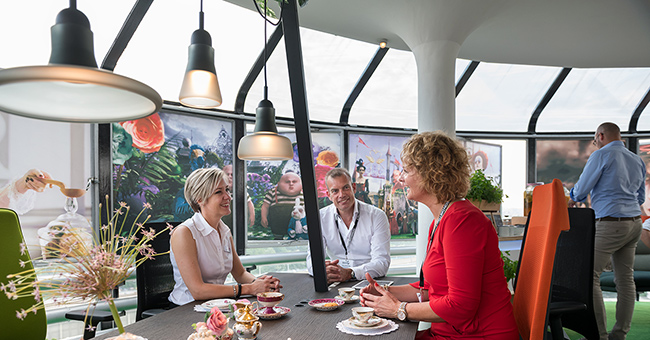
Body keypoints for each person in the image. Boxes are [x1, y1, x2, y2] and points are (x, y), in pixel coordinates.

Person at [360, 131, 517, 340]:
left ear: (429, 174)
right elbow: (431, 290)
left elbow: (461, 306)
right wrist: (384, 293)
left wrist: (399, 309)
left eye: (406, 170)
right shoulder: (442, 219)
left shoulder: (462, 222)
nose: (402, 177)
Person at [569, 122, 646, 340]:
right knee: (625, 279)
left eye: (595, 140)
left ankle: (599, 335)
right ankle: (619, 334)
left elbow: (581, 190)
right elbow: (640, 198)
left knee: (589, 276)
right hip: (633, 223)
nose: (595, 144)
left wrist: (573, 195)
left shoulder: (601, 155)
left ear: (601, 135)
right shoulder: (636, 159)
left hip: (610, 223)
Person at [169, 168, 281, 306]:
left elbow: (240, 274)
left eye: (227, 190)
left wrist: (261, 285)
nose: (228, 197)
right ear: (200, 199)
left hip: (217, 306)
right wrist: (249, 289)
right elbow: (197, 291)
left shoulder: (224, 230)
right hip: (185, 309)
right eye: (218, 192)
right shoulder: (184, 233)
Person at [306, 168, 390, 283]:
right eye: (335, 191)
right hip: (335, 281)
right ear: (329, 195)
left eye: (345, 188)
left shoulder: (376, 216)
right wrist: (322, 270)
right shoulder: (320, 218)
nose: (341, 195)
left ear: (353, 188)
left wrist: (351, 273)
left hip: (368, 281)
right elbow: (312, 260)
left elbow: (382, 262)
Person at [260, 172, 304, 238]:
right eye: (287, 182)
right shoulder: (272, 192)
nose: (291, 184)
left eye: (294, 181)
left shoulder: (302, 194)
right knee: (277, 236)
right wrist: (263, 217)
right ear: (279, 183)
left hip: (297, 225)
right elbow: (265, 206)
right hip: (278, 225)